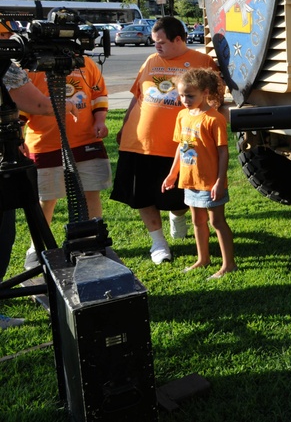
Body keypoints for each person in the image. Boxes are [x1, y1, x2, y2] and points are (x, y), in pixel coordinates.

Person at [111, 16, 220, 264]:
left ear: (178, 39)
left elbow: (214, 100)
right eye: (154, 42)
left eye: (160, 42)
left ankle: (177, 215)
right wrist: (125, 124)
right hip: (139, 141)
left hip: (182, 145)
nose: (156, 47)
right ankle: (158, 243)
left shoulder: (202, 62)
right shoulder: (151, 60)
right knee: (142, 195)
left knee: (179, 197)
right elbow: (136, 96)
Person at [0, 19, 79, 330]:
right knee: (3, 233)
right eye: (5, 35)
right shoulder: (6, 67)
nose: (10, 39)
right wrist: (67, 105)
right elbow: (38, 104)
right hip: (3, 162)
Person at [22, 54, 111, 270]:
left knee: (91, 192)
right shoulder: (31, 65)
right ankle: (37, 246)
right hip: (46, 144)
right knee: (47, 198)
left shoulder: (86, 62)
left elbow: (98, 95)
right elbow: (22, 106)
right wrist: (18, 135)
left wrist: (100, 120)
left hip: (85, 142)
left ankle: (92, 241)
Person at [161, 67, 235, 279]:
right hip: (190, 180)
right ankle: (203, 259)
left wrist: (220, 181)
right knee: (197, 221)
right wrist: (172, 174)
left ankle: (228, 264)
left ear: (205, 92)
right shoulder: (183, 115)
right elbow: (181, 146)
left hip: (209, 181)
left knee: (216, 222)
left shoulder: (214, 119)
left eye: (190, 95)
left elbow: (223, 152)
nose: (185, 99)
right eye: (181, 95)